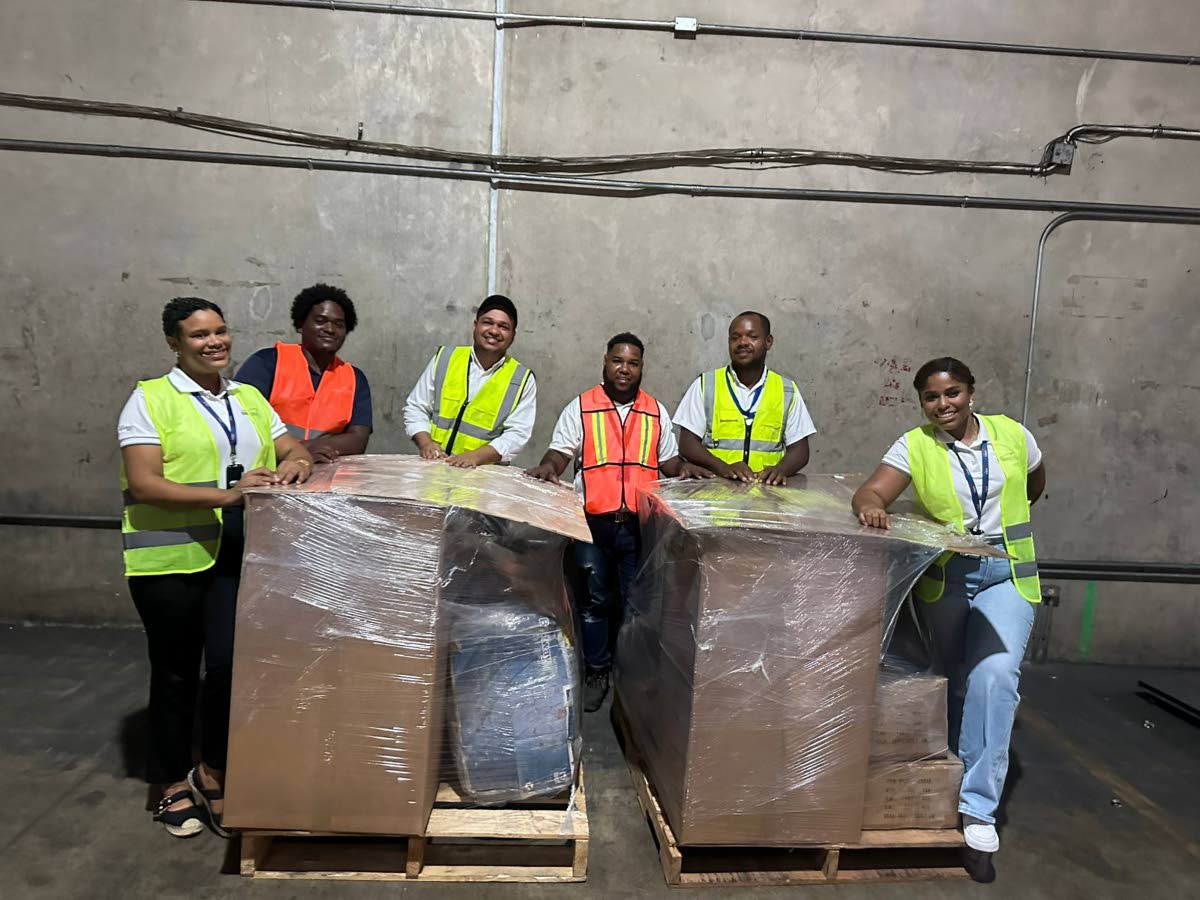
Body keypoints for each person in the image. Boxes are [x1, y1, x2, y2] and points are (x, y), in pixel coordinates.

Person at [118, 297, 314, 839]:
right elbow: (145, 482)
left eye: (221, 332)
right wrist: (230, 496)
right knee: (177, 670)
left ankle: (213, 768)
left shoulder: (248, 397)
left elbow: (291, 445)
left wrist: (297, 462)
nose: (215, 342)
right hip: (171, 560)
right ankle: (169, 784)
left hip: (236, 555)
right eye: (199, 335)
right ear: (174, 344)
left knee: (230, 667)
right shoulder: (150, 400)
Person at [851, 356, 1047, 884]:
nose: (944, 405)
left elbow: (1034, 483)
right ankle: (943, 774)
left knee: (996, 677)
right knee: (949, 677)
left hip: (1007, 575)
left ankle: (977, 808)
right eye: (932, 398)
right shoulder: (914, 445)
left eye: (953, 393)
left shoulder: (1012, 435)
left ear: (971, 393)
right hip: (948, 578)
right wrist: (872, 506)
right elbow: (871, 490)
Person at [525, 333, 711, 712]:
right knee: (594, 600)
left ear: (641, 367)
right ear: (605, 362)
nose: (624, 369)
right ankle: (597, 671)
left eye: (633, 363)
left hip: (639, 527)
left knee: (636, 603)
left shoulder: (655, 410)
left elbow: (668, 460)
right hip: (592, 524)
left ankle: (631, 676)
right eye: (617, 361)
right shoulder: (581, 407)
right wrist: (549, 466)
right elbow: (561, 451)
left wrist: (685, 468)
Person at [235, 283, 372, 463]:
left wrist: (307, 450)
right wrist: (296, 452)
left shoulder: (354, 378)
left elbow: (358, 440)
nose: (330, 329)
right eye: (320, 321)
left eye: (339, 324)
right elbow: (241, 424)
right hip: (269, 473)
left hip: (328, 477)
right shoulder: (267, 363)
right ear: (301, 325)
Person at [675, 311, 816, 485]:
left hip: (766, 500)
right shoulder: (706, 384)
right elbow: (687, 444)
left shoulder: (786, 390)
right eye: (735, 337)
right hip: (716, 497)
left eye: (752, 336)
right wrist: (723, 467)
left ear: (768, 342)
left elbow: (800, 451)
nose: (742, 342)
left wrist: (780, 470)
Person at [404, 294, 536, 466]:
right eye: (487, 322)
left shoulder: (522, 379)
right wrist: (426, 443)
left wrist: (476, 457)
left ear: (513, 335)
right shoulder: (445, 358)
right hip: (434, 468)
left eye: (503, 326)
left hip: (484, 479)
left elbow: (517, 435)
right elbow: (416, 407)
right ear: (475, 326)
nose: (494, 331)